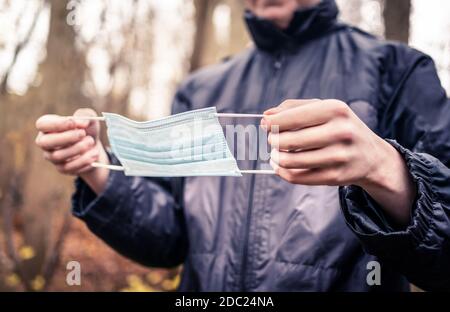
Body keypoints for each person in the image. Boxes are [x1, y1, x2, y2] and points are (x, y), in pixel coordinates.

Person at [35, 0, 450, 291]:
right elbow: (169, 241)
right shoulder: (200, 91)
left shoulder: (398, 71)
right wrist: (98, 171)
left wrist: (388, 171)